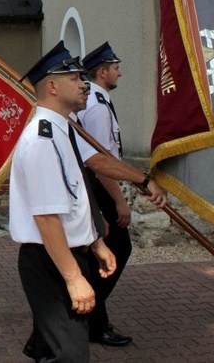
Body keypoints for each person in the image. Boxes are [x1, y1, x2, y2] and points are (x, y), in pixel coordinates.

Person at [10, 41, 167, 362]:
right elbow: (47, 218)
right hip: (51, 258)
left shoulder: (63, 129)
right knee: (70, 355)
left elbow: (74, 195)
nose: (84, 85)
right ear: (52, 86)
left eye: (83, 78)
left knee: (54, 350)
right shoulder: (43, 139)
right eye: (75, 79)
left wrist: (95, 243)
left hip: (67, 251)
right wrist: (75, 278)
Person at [77, 41, 133, 347]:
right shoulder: (96, 107)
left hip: (99, 188)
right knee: (116, 250)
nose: (120, 73)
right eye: (115, 68)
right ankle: (89, 316)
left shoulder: (99, 101)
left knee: (106, 254)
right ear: (102, 71)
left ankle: (94, 320)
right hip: (99, 189)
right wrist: (119, 201)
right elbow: (102, 163)